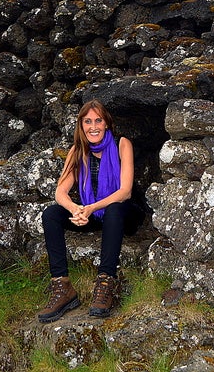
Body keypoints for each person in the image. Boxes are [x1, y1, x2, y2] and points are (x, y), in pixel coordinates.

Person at [37, 99, 145, 323]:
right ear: (81, 125)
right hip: (93, 215)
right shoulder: (77, 151)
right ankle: (62, 287)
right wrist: (75, 209)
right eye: (88, 121)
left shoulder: (121, 144)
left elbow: (125, 191)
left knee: (115, 209)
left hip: (123, 214)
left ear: (106, 123)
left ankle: (105, 282)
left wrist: (91, 207)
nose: (93, 126)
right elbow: (60, 192)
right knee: (51, 214)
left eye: (98, 120)